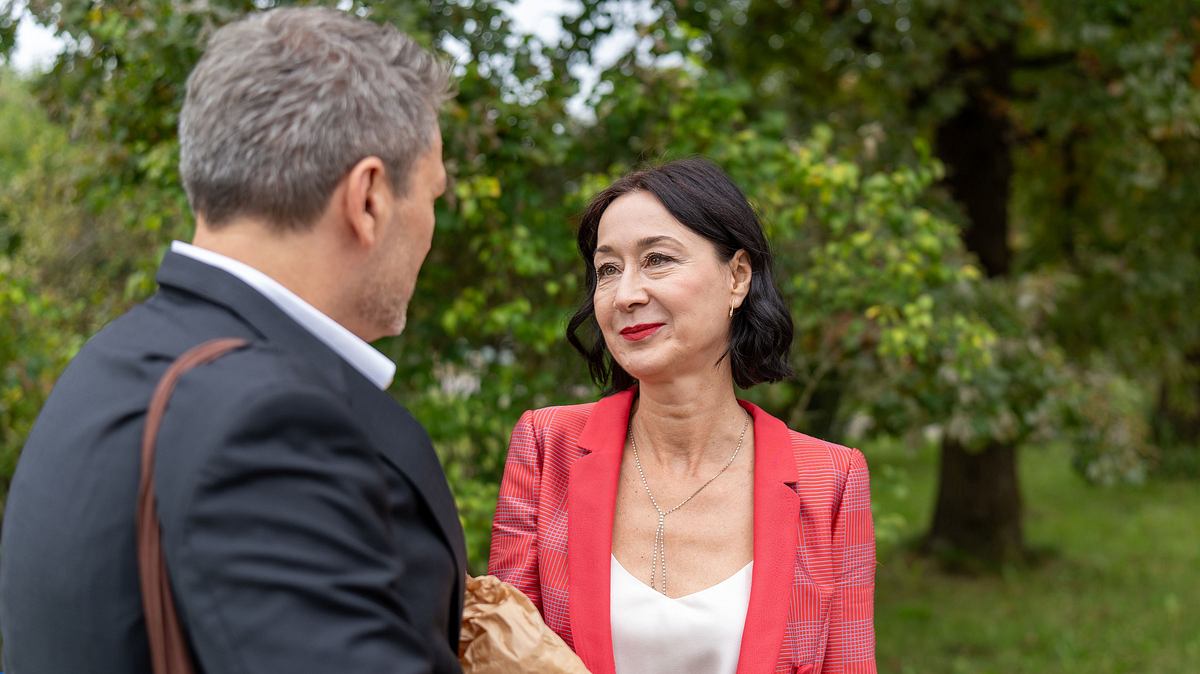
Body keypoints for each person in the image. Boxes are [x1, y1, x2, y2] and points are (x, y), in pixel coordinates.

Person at [0, 8, 465, 673]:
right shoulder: (266, 421)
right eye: (432, 195)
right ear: (368, 198)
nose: (430, 227)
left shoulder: (109, 361)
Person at [488, 158, 877, 674]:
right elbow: (503, 657)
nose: (626, 295)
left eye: (658, 260)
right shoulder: (545, 447)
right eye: (608, 270)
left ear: (737, 277)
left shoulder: (832, 480)